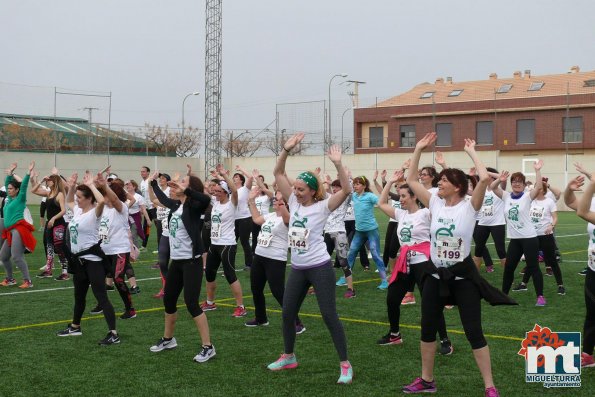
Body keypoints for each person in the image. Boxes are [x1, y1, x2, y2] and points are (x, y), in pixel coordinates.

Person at [402, 133, 515, 396]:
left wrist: (471, 152)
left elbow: (485, 179)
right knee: (427, 328)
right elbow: (409, 180)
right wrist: (418, 148)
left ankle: (489, 385)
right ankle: (427, 380)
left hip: (463, 279)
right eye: (439, 180)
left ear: (458, 186)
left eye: (444, 181)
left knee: (473, 331)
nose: (438, 183)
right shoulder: (435, 204)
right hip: (435, 276)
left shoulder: (469, 206)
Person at [267, 133, 353, 385]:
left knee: (329, 315)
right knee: (287, 313)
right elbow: (278, 172)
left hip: (319, 268)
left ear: (313, 191)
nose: (296, 192)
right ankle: (289, 356)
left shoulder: (323, 206)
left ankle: (345, 364)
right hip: (298, 268)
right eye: (295, 189)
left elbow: (346, 189)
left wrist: (338, 164)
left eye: (301, 189)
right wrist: (286, 149)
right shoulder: (293, 201)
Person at [376, 171, 452, 355]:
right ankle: (395, 334)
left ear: (414, 197)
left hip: (423, 263)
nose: (400, 199)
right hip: (404, 263)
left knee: (431, 302)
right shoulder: (400, 215)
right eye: (400, 196)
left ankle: (445, 340)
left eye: (403, 196)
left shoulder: (426, 213)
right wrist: (390, 182)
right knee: (392, 299)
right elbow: (381, 203)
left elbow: (441, 207)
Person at [148, 170, 215, 362]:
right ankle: (168, 339)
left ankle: (208, 346)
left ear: (189, 187)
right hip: (177, 261)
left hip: (191, 262)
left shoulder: (195, 206)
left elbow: (204, 198)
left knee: (191, 304)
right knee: (169, 301)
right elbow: (161, 197)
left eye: (183, 182)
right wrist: (153, 184)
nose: (177, 183)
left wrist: (186, 189)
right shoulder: (176, 205)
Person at [56, 171, 120, 346]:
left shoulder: (95, 213)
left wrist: (92, 185)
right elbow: (69, 201)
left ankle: (113, 333)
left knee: (101, 297)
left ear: (88, 198)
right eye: (77, 196)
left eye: (80, 197)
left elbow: (101, 201)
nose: (77, 199)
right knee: (79, 296)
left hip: (93, 261)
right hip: (78, 262)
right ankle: (75, 326)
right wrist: (71, 186)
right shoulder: (77, 210)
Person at [244, 188, 305, 332]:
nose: (275, 202)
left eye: (278, 201)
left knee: (278, 291)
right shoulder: (271, 215)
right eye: (275, 200)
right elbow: (256, 219)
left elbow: (286, 219)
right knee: (256, 288)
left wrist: (283, 202)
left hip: (275, 258)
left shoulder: (289, 217)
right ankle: (261, 318)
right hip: (259, 256)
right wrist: (251, 201)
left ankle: (297, 322)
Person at [490, 162, 546, 306]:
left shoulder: (527, 196)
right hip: (515, 239)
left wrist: (537, 171)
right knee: (509, 268)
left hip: (529, 238)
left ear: (523, 184)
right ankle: (504, 295)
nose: (516, 184)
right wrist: (499, 179)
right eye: (514, 181)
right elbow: (492, 187)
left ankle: (540, 296)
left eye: (519, 182)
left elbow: (539, 187)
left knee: (533, 267)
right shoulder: (506, 196)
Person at [201, 165, 247, 317]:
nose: (216, 193)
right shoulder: (215, 202)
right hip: (214, 244)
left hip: (227, 244)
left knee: (230, 274)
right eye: (216, 192)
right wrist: (215, 177)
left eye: (220, 192)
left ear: (225, 192)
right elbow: (206, 188)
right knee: (209, 273)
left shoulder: (231, 202)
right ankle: (210, 302)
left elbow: (234, 190)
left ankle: (241, 306)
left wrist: (224, 176)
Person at [513, 180, 565, 295]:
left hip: (546, 236)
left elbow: (555, 217)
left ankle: (560, 285)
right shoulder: (530, 201)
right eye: (534, 187)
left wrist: (551, 226)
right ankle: (523, 284)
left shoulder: (549, 202)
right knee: (532, 261)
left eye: (538, 187)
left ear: (543, 189)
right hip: (532, 237)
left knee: (551, 260)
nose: (534, 189)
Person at [568, 175, 595, 368]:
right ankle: (587, 354)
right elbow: (572, 203)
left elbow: (583, 212)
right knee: (592, 312)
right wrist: (570, 189)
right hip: (593, 268)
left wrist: (592, 183)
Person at [344, 174, 388, 289]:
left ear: (364, 186)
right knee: (351, 253)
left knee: (375, 253)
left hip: (371, 231)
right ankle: (346, 277)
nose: (355, 186)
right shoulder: (354, 196)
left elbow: (382, 202)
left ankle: (384, 280)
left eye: (358, 184)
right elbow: (344, 191)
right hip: (359, 232)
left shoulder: (370, 196)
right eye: (354, 184)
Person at [0, 161, 36, 289]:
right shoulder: (9, 200)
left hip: (18, 231)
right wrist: (9, 175)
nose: (8, 190)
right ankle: (10, 279)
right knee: (3, 256)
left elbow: (24, 186)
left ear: (16, 190)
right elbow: (6, 183)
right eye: (8, 188)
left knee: (16, 256)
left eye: (11, 189)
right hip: (10, 231)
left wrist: (28, 172)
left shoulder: (20, 200)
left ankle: (28, 281)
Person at [31, 173, 69, 281]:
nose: (48, 181)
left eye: (49, 180)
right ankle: (48, 270)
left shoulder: (60, 194)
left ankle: (65, 272)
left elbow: (63, 210)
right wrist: (41, 180)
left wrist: (53, 218)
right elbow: (33, 191)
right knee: (49, 247)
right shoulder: (48, 193)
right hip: (49, 225)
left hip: (58, 224)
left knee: (59, 247)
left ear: (55, 182)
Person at [324, 177, 356, 298]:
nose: (335, 189)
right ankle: (320, 286)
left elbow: (350, 189)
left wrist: (347, 177)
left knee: (343, 261)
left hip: (339, 232)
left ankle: (351, 289)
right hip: (327, 232)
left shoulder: (346, 197)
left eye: (337, 187)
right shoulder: (329, 197)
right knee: (323, 260)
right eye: (334, 187)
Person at [472, 168, 507, 273]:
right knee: (478, 249)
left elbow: (503, 179)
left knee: (500, 250)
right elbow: (470, 192)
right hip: (482, 223)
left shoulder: (499, 189)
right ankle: (475, 275)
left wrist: (487, 172)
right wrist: (473, 176)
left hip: (497, 223)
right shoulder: (482, 190)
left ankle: (508, 276)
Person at [232, 165, 254, 270]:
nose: (234, 178)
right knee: (232, 241)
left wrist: (241, 169)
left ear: (241, 180)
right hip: (234, 219)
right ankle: (229, 261)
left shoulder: (245, 189)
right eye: (234, 177)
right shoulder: (232, 191)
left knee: (244, 242)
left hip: (245, 218)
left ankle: (249, 264)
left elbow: (250, 178)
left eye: (236, 177)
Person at [250, 169, 273, 255]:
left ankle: (267, 252)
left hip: (264, 219)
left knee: (265, 236)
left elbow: (268, 192)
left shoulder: (266, 197)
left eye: (261, 188)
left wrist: (258, 179)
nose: (259, 189)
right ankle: (254, 253)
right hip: (256, 219)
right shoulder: (256, 197)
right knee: (254, 237)